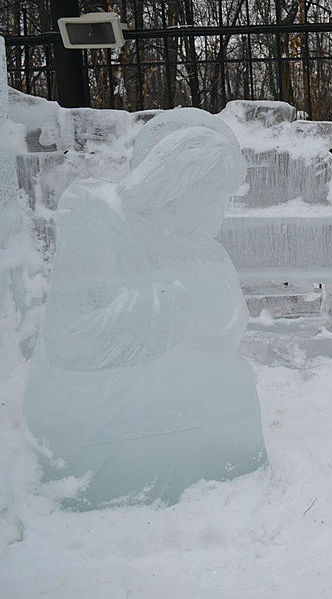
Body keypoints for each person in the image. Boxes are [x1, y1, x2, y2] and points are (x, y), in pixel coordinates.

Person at [25, 109, 267, 508]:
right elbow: (72, 343)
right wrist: (172, 305)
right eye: (214, 195)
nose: (222, 210)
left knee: (233, 390)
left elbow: (227, 333)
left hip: (166, 381)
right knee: (217, 398)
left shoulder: (205, 251)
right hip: (95, 398)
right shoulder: (96, 213)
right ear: (175, 183)